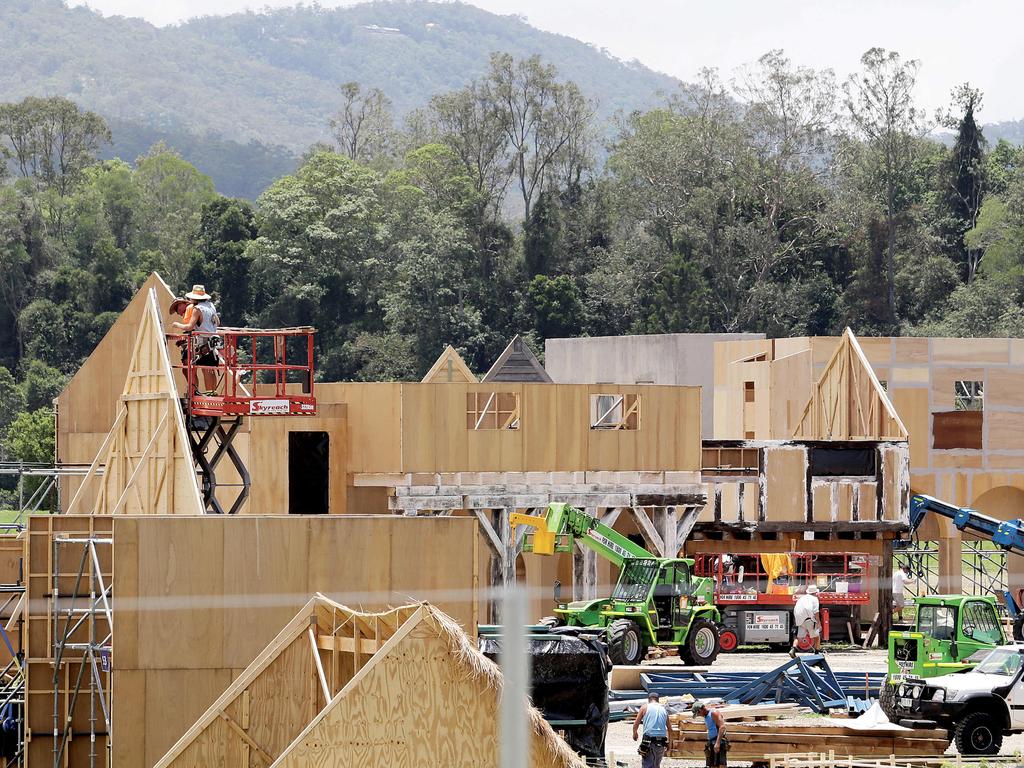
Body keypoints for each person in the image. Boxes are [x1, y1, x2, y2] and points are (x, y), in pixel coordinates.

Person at [171, 285, 221, 394]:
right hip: (213, 339)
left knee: (205, 368)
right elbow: (217, 322)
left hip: (203, 340)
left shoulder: (197, 309)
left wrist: (177, 325)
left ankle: (204, 394)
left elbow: (189, 326)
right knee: (209, 369)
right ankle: (212, 393)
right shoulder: (211, 305)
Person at [633, 692, 669, 768]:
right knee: (656, 765)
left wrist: (635, 734)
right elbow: (670, 729)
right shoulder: (664, 709)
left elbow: (636, 724)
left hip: (648, 741)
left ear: (649, 700)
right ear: (658, 700)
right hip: (661, 742)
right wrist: (669, 743)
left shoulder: (644, 707)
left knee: (647, 765)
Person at [790, 584, 821, 658]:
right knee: (817, 636)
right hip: (809, 619)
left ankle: (793, 649)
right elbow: (816, 611)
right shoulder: (814, 599)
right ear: (815, 593)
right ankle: (817, 653)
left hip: (799, 620)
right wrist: (818, 622)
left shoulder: (802, 598)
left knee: (799, 637)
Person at [694, 700, 727, 768]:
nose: (699, 715)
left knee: (721, 765)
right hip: (712, 742)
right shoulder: (706, 716)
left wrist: (717, 743)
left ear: (700, 710)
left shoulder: (713, 713)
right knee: (712, 765)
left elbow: (722, 727)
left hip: (718, 742)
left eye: (698, 714)